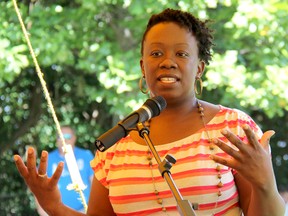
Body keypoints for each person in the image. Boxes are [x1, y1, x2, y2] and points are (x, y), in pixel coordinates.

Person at [14, 8, 285, 216]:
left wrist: (265, 184)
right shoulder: (115, 145)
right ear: (143, 67)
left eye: (181, 54)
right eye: (156, 54)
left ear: (199, 68)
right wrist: (54, 207)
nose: (168, 62)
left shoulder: (234, 128)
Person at [34, 125, 94, 215]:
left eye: (67, 136)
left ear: (74, 138)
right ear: (56, 140)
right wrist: (43, 212)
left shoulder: (86, 155)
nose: (63, 140)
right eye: (60, 137)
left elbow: (95, 183)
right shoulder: (48, 159)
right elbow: (38, 187)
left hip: (85, 211)